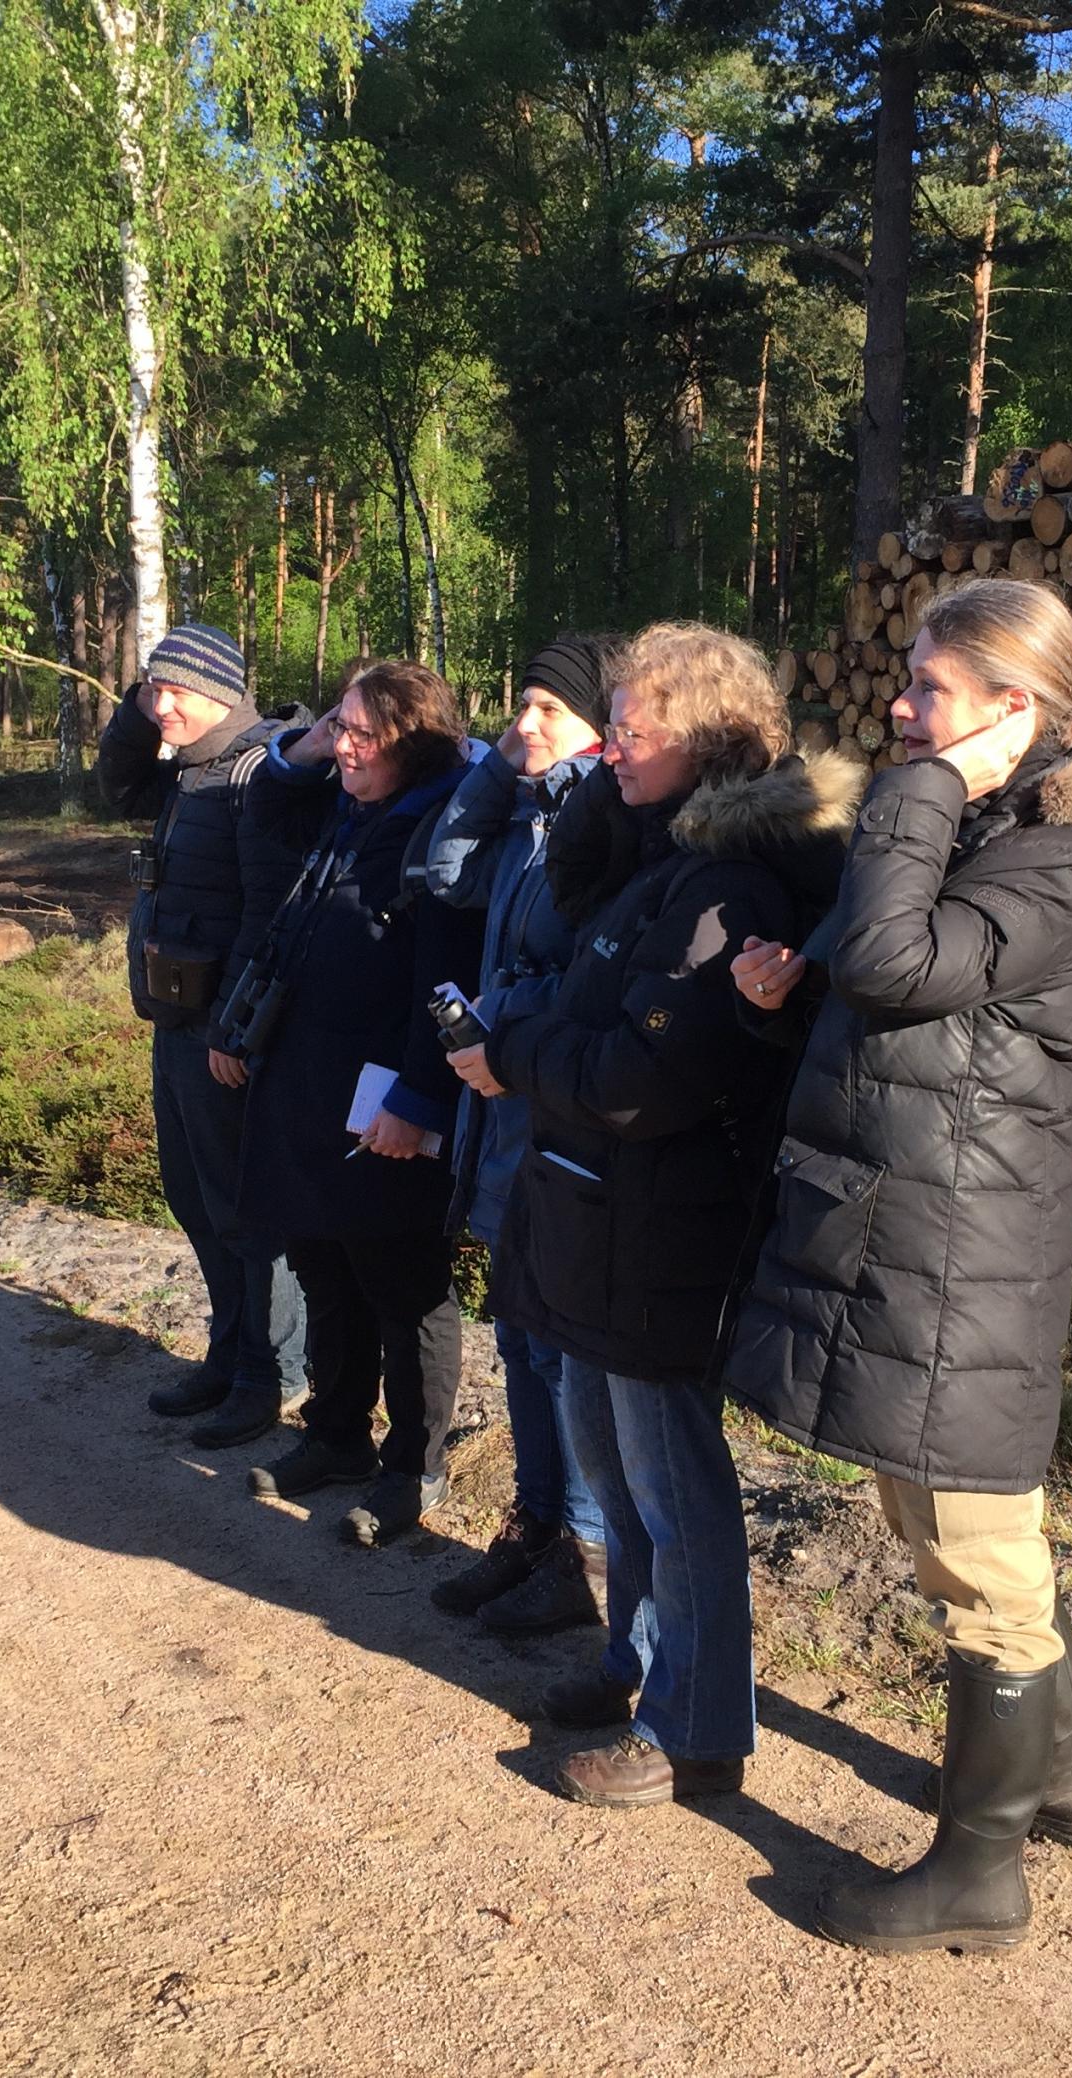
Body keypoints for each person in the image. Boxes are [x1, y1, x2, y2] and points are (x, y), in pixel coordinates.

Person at [724, 577, 1072, 1954]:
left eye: (925, 688)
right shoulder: (1013, 831)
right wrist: (790, 975)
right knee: (962, 1527)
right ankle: (1052, 1779)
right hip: (928, 1226)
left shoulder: (1063, 861)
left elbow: (893, 952)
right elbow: (880, 973)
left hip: (956, 1246)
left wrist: (918, 788)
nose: (897, 706)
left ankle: (976, 1873)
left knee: (972, 1548)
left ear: (1010, 707)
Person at [450, 623, 856, 1809]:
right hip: (595, 1222)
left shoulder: (724, 885)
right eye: (613, 723)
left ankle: (695, 1728)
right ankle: (635, 1669)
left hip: (660, 1232)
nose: (610, 747)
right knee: (619, 1480)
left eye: (635, 728)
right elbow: (595, 980)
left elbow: (641, 1078)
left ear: (712, 741)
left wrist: (511, 1050)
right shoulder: (657, 859)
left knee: (672, 1488)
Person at [225, 660, 486, 1548]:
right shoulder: (344, 805)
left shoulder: (441, 829)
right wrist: (325, 739)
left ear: (413, 742)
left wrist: (416, 1097)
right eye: (339, 726)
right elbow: (266, 800)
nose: (343, 746)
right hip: (310, 1085)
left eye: (363, 734)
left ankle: (414, 1464)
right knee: (325, 1267)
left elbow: (442, 980)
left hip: (387, 1099)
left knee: (401, 1285)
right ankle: (335, 1434)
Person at [421, 637, 619, 1638]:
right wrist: (500, 767)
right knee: (517, 1333)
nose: (523, 724)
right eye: (518, 705)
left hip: (546, 1108)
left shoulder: (593, 821)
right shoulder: (528, 812)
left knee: (553, 1350)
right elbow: (441, 868)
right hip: (498, 1111)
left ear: (599, 722)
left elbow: (593, 971)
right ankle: (534, 1527)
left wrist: (498, 1008)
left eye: (547, 709)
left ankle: (579, 1552)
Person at [92, 625, 310, 1450]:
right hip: (177, 1021)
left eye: (175, 690)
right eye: (152, 690)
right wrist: (141, 697)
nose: (160, 706)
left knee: (245, 1210)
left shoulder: (257, 769)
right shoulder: (186, 768)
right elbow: (114, 787)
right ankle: (230, 1353)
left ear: (221, 691)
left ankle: (275, 1375)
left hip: (225, 1035)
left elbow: (270, 914)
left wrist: (238, 1028)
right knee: (194, 1198)